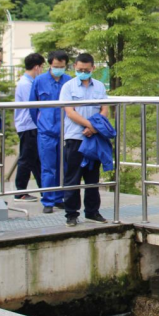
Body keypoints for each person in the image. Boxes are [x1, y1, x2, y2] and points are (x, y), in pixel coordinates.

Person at [59, 53, 109, 227]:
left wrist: (94, 128)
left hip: (94, 138)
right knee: (73, 176)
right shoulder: (68, 87)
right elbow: (70, 112)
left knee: (92, 177)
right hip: (75, 137)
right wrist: (89, 125)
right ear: (75, 67)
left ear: (93, 68)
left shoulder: (99, 86)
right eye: (80, 69)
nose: (83, 72)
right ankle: (71, 214)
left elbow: (104, 109)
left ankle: (92, 211)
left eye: (86, 70)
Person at [29, 50, 72, 213]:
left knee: (63, 166)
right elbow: (32, 107)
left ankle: (60, 198)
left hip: (65, 131)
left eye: (62, 66)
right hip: (46, 132)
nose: (58, 69)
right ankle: (48, 200)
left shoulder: (69, 81)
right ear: (50, 65)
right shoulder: (39, 81)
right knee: (48, 168)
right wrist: (41, 124)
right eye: (56, 66)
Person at [13, 53, 45, 202]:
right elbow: (33, 105)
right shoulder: (26, 84)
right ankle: (20, 191)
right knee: (27, 158)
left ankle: (44, 189)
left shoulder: (28, 82)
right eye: (42, 67)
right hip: (28, 125)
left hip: (31, 125)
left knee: (36, 159)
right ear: (37, 67)